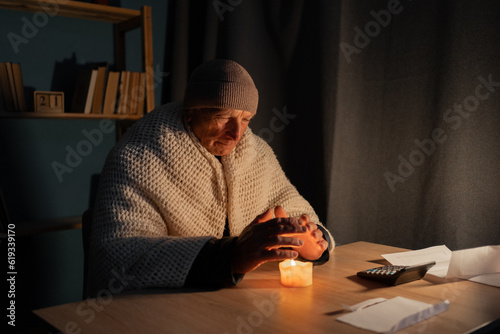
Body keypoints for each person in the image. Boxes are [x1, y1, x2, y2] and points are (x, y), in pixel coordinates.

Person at [87, 59, 334, 297]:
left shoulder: (257, 154)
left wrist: (309, 244)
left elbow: (299, 211)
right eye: (222, 117)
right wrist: (232, 256)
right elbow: (119, 257)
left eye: (246, 119)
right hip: (160, 313)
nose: (236, 134)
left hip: (238, 303)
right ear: (191, 112)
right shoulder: (138, 157)